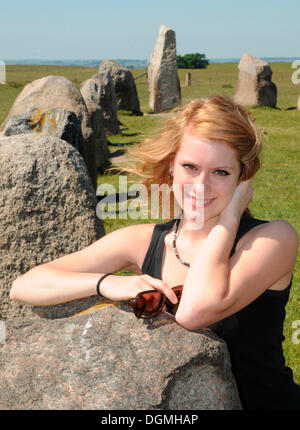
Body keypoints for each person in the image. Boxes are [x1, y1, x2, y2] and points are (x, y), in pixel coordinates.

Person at [10, 95, 300, 410]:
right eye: (190, 167)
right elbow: (24, 286)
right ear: (171, 166)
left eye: (221, 172)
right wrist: (106, 283)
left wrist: (228, 221)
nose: (201, 185)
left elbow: (194, 311)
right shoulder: (145, 240)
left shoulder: (272, 240)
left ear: (243, 178)